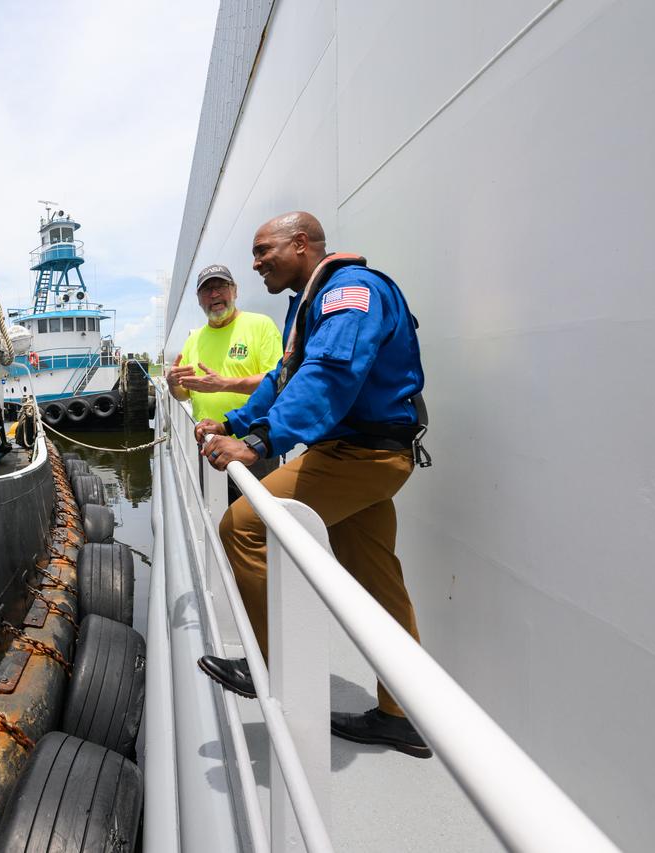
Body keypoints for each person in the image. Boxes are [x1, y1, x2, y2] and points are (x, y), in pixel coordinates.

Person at [194, 211, 433, 758]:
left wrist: (259, 444)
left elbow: (329, 374)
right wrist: (234, 424)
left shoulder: (351, 294)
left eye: (263, 252)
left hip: (360, 456)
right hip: (361, 454)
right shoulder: (311, 302)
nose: (254, 264)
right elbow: (287, 376)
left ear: (300, 244)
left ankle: (272, 665)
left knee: (244, 526)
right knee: (377, 582)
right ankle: (402, 715)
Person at [165, 263, 282, 483]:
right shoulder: (194, 339)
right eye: (207, 290)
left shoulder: (261, 326)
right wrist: (173, 383)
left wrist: (224, 383)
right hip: (209, 443)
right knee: (211, 510)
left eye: (221, 286)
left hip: (253, 445)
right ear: (199, 299)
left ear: (235, 290)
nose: (214, 294)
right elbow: (183, 395)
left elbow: (276, 381)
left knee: (256, 512)